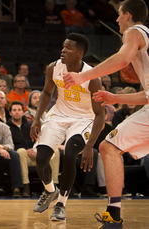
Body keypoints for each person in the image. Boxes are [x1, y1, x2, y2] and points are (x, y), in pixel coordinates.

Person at [63, 0, 148, 227]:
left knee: (109, 147)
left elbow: (121, 59)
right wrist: (116, 98)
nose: (117, 20)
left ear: (128, 15)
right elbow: (147, 96)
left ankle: (114, 216)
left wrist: (83, 76)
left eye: (119, 15)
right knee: (109, 147)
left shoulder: (133, 32)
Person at [30, 33, 105, 221]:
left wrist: (90, 146)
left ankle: (61, 203)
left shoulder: (93, 77)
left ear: (80, 53)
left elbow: (100, 114)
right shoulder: (53, 68)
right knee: (41, 158)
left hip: (83, 119)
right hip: (58, 115)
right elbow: (47, 93)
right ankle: (50, 191)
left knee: (70, 155)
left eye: (68, 48)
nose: (63, 50)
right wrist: (37, 119)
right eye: (63, 46)